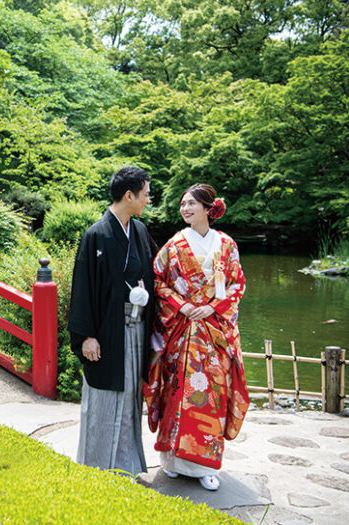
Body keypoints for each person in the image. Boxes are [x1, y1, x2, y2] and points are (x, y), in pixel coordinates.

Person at [143, 183, 249, 491]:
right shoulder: (175, 245)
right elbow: (158, 280)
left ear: (208, 208)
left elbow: (236, 284)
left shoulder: (225, 245)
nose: (185, 209)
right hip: (181, 330)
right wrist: (184, 305)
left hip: (213, 331)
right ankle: (172, 461)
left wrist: (213, 307)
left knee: (211, 395)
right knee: (177, 391)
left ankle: (206, 465)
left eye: (192, 204)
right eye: (183, 204)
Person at [68, 166, 156, 476]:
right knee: (105, 399)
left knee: (131, 397)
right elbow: (83, 288)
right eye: (145, 193)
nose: (148, 198)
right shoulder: (97, 234)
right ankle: (97, 467)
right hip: (107, 330)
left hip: (136, 328)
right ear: (128, 195)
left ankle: (125, 466)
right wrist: (86, 336)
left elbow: (158, 275)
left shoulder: (141, 231)